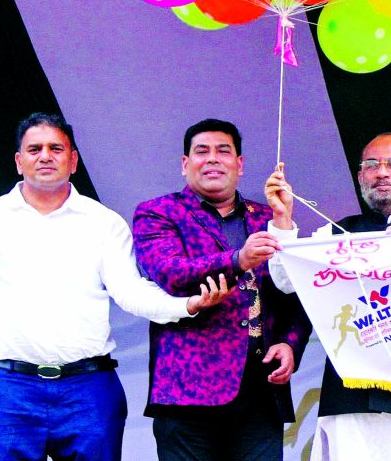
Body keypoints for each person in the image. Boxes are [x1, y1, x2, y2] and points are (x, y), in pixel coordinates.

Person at [0, 112, 229, 461]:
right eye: (34, 149)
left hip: (88, 386)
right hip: (8, 388)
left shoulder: (104, 222)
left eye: (56, 148)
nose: (45, 155)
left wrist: (186, 305)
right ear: (19, 161)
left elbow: (130, 292)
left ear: (73, 160)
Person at [266, 132, 391, 461]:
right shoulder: (333, 233)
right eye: (372, 165)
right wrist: (282, 219)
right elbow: (287, 282)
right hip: (349, 401)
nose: (382, 172)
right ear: (360, 177)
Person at [133, 118, 311, 461]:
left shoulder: (268, 217)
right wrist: (238, 259)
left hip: (262, 392)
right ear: (186, 164)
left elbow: (299, 294)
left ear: (239, 165)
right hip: (187, 395)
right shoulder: (158, 213)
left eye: (223, 151)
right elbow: (170, 273)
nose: (213, 159)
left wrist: (290, 344)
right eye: (202, 151)